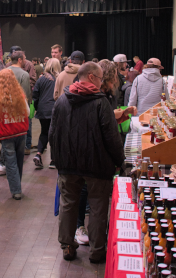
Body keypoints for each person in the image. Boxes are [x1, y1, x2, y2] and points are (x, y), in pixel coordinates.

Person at [49, 62, 125, 262]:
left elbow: (52, 134)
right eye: (100, 79)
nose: (101, 83)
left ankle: (67, 246)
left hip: (68, 165)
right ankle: (97, 251)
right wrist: (121, 162)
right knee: (99, 207)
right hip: (97, 166)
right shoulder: (101, 103)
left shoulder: (62, 101)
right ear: (91, 77)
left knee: (68, 205)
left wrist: (58, 160)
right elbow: (112, 138)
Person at [0, 69, 29, 200]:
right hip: (21, 131)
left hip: (6, 133)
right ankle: (18, 185)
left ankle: (16, 190)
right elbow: (27, 112)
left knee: (10, 162)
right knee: (19, 161)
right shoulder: (20, 95)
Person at [32, 58, 60, 169]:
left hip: (43, 110)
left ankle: (38, 154)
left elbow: (35, 95)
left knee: (44, 132)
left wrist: (37, 107)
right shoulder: (58, 79)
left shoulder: (41, 79)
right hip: (55, 109)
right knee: (54, 134)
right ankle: (53, 160)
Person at [8, 51, 32, 155]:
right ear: (19, 60)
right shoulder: (24, 74)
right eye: (24, 58)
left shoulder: (4, 72)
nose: (25, 61)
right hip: (19, 111)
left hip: (6, 109)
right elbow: (25, 95)